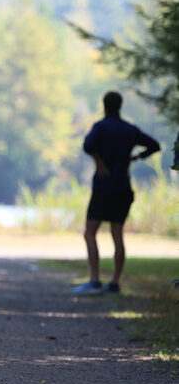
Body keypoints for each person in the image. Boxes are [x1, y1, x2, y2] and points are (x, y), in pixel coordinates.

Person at [73, 91, 160, 295]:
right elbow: (154, 145)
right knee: (117, 234)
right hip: (122, 187)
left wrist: (99, 161)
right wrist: (135, 158)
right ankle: (114, 283)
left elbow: (87, 145)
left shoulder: (100, 127)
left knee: (90, 232)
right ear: (120, 106)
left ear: (104, 105)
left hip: (103, 187)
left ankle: (94, 280)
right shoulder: (129, 129)